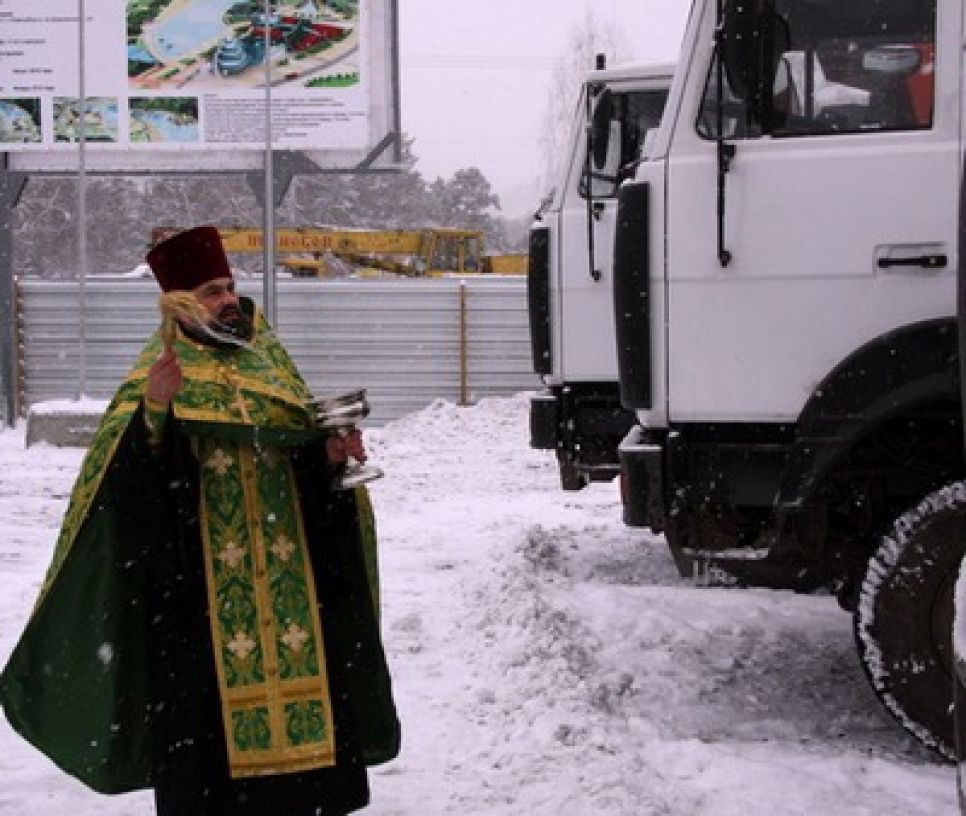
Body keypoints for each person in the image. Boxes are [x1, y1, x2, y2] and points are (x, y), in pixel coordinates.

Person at [0, 226, 400, 815]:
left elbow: (306, 474)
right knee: (210, 772)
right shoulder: (155, 378)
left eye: (230, 287)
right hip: (203, 609)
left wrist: (330, 459)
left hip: (294, 604)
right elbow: (121, 500)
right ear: (178, 305)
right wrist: (156, 414)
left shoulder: (271, 370)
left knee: (305, 780)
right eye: (212, 291)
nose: (229, 300)